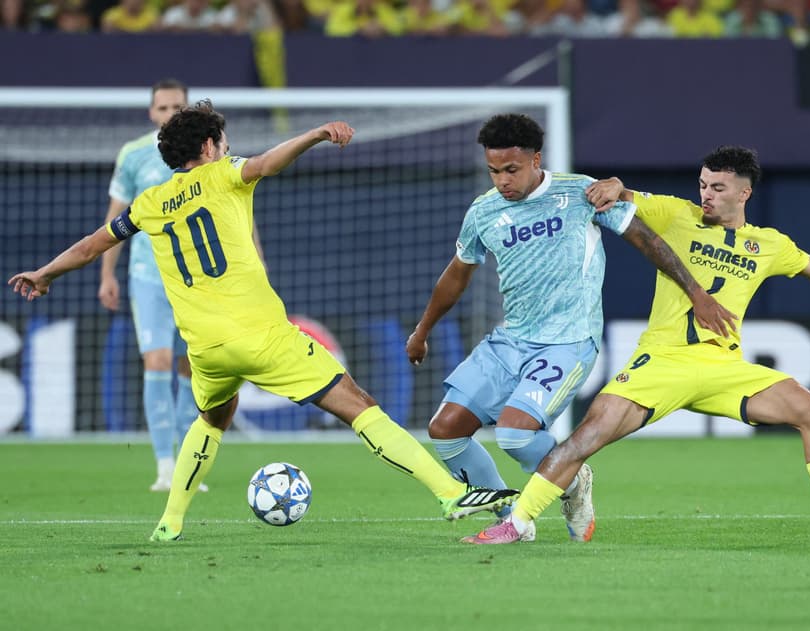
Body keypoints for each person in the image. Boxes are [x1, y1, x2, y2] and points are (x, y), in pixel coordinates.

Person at [9, 101, 518, 542]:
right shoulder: (225, 173)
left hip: (205, 349)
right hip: (262, 337)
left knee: (212, 419)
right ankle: (452, 494)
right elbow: (270, 161)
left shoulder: (148, 204)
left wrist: (46, 272)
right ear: (209, 147)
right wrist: (318, 134)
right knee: (359, 406)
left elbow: (91, 244)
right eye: (223, 139)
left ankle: (170, 521)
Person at [462, 145, 810, 545]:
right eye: (703, 184)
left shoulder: (769, 244)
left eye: (719, 188)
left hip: (723, 367)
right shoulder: (676, 214)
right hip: (661, 363)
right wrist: (615, 183)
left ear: (745, 193)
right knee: (584, 440)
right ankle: (517, 523)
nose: (706, 194)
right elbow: (624, 195)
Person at [407, 114, 735, 543]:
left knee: (513, 434)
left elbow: (647, 240)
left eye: (511, 169)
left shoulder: (581, 192)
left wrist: (696, 292)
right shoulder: (484, 211)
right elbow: (457, 274)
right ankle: (506, 512)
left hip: (567, 339)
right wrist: (422, 329)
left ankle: (575, 480)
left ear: (535, 159)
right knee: (445, 429)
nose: (502, 180)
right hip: (510, 340)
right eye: (494, 170)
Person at [98, 79, 201, 492]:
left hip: (195, 279)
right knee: (156, 362)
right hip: (148, 278)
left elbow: (236, 206)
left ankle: (187, 461)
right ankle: (164, 465)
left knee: (190, 366)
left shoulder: (205, 151)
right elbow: (114, 221)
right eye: (163, 108)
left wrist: (256, 256)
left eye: (178, 107)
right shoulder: (134, 155)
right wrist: (107, 274)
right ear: (151, 113)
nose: (171, 114)